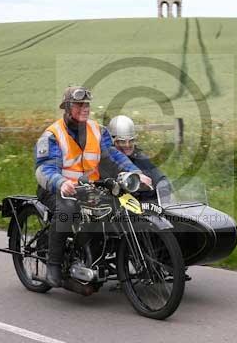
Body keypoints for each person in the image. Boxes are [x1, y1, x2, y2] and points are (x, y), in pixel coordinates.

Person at [34, 86, 151, 287]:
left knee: (117, 208)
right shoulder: (53, 134)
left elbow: (113, 156)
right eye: (80, 104)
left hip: (91, 189)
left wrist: (136, 173)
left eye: (87, 105)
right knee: (68, 211)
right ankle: (53, 265)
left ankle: (96, 258)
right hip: (58, 190)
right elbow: (44, 169)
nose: (85, 108)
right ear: (68, 107)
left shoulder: (98, 130)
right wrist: (61, 183)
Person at [100, 115, 172, 204]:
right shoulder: (106, 162)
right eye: (122, 141)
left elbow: (161, 180)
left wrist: (164, 206)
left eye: (131, 141)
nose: (127, 145)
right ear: (112, 142)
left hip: (147, 211)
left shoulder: (140, 158)